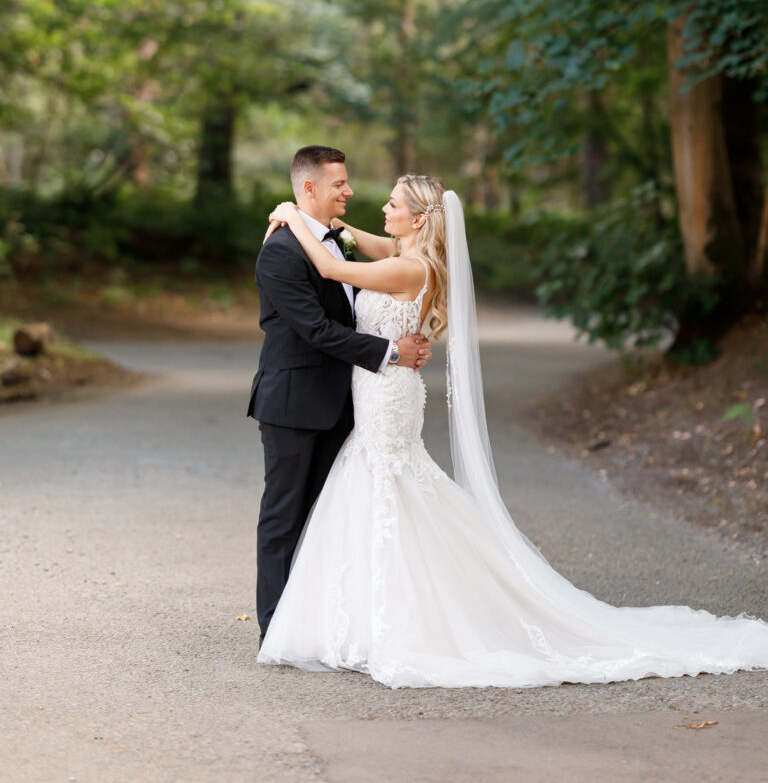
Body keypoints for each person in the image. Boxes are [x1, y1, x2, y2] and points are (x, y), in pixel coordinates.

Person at [257, 172, 768, 689]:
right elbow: (355, 240)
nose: (382, 209)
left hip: (388, 393)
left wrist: (291, 214)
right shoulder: (404, 253)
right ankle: (363, 616)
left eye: (392, 204)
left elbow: (330, 266)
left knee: (389, 485)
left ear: (418, 219)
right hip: (383, 389)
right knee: (385, 488)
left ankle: (397, 618)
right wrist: (324, 222)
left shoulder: (408, 268)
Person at [248, 146, 431, 640]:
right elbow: (316, 329)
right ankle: (275, 630)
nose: (349, 191)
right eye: (339, 184)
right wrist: (392, 351)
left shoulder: (338, 240)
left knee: (334, 516)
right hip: (294, 403)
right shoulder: (282, 250)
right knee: (284, 516)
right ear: (309, 188)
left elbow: (356, 295)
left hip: (349, 403)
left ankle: (326, 621)